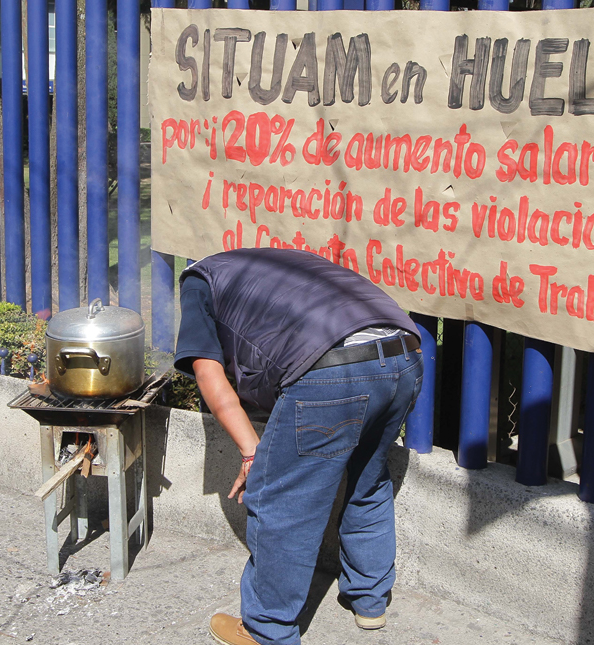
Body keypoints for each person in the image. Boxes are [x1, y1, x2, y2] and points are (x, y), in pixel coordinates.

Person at [174, 247, 424, 645]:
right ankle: (370, 601)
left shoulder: (198, 281)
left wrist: (251, 451)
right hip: (404, 354)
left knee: (282, 503)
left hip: (333, 370)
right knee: (369, 480)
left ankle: (265, 631)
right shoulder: (279, 265)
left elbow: (208, 373)